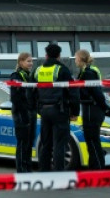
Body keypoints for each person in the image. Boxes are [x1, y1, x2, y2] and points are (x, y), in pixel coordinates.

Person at [33, 43, 79, 172]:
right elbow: (73, 92)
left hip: (44, 110)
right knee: (59, 144)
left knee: (46, 143)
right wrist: (75, 111)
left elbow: (31, 91)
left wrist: (38, 108)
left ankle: (44, 171)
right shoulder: (62, 69)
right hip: (59, 110)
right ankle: (59, 173)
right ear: (59, 56)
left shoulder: (38, 70)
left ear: (46, 55)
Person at [75, 49, 110, 170]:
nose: (75, 60)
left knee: (92, 141)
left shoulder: (88, 73)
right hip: (91, 109)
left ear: (81, 59)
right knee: (92, 140)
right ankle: (95, 166)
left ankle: (98, 168)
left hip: (91, 109)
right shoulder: (87, 71)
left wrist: (106, 108)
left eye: (76, 58)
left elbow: (96, 92)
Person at [9, 51, 35, 173]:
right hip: (21, 113)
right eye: (28, 61)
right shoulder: (16, 76)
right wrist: (24, 113)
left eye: (31, 61)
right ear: (21, 62)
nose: (31, 63)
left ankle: (27, 168)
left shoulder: (29, 75)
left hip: (30, 112)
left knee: (29, 143)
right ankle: (21, 169)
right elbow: (15, 98)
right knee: (23, 143)